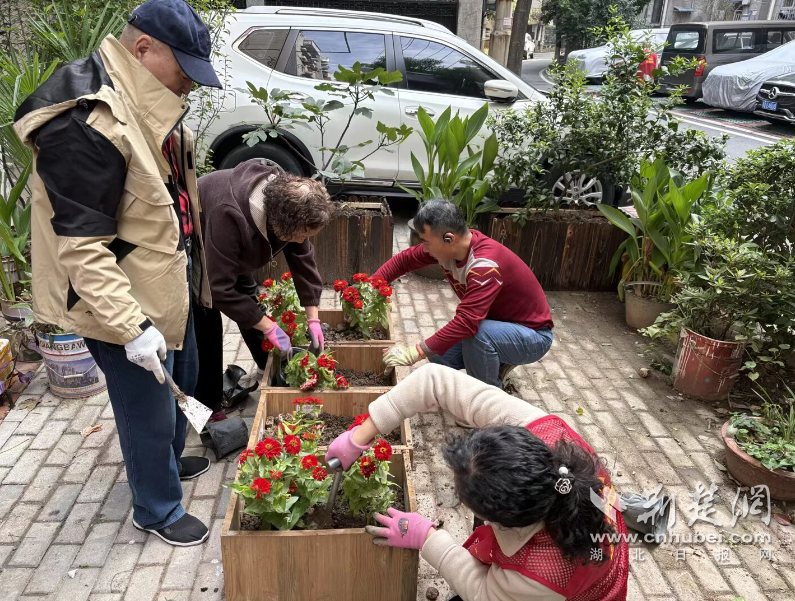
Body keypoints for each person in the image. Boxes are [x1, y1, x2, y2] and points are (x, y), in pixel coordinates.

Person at [13, 0, 222, 546]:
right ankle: (156, 507)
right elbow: (82, 248)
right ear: (143, 48)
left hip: (165, 281)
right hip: (122, 301)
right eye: (184, 70)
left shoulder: (143, 100)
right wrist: (131, 328)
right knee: (145, 410)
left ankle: (169, 463)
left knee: (180, 384)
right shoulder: (84, 123)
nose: (189, 85)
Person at [326, 364, 629, 601]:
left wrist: (427, 538)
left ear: (504, 523)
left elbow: (484, 593)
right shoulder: (542, 434)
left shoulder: (546, 571)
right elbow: (433, 380)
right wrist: (361, 434)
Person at [194, 159, 333, 418]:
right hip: (199, 238)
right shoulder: (229, 215)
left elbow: (303, 261)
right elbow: (218, 288)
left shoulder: (290, 206)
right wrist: (269, 326)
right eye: (301, 235)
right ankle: (208, 406)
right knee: (206, 323)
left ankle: (267, 367)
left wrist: (313, 318)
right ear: (279, 224)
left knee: (249, 301)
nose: (302, 241)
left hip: (229, 244)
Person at [374, 198, 554, 392]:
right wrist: (368, 289)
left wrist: (415, 352)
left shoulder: (484, 266)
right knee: (440, 357)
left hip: (533, 336)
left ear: (449, 238)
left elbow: (467, 321)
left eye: (426, 242)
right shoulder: (449, 247)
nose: (424, 248)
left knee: (479, 336)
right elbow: (404, 260)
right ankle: (496, 361)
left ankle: (488, 400)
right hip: (495, 325)